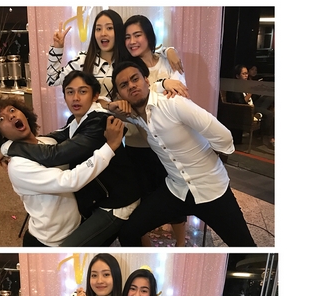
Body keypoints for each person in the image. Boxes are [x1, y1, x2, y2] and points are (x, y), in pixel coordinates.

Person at [111, 61, 256, 247]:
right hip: (176, 190)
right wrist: (113, 107)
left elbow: (224, 137)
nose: (131, 86)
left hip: (212, 189)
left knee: (245, 248)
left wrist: (209, 160)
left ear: (146, 80)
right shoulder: (133, 116)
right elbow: (100, 105)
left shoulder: (174, 103)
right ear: (119, 94)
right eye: (124, 85)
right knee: (128, 232)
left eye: (135, 79)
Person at [0, 71, 141, 246]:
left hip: (117, 202)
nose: (76, 98)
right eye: (70, 92)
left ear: (95, 95)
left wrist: (10, 147)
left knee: (69, 249)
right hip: (98, 196)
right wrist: (5, 146)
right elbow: (56, 136)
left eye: (83, 91)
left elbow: (55, 155)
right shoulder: (76, 120)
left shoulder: (98, 123)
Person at [0, 96, 125, 247]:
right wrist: (110, 147)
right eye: (1, 119)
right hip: (50, 241)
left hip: (74, 226)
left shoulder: (46, 142)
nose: (10, 116)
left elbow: (71, 129)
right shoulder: (18, 166)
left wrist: (104, 104)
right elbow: (70, 181)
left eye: (12, 110)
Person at [121, 14, 189, 247]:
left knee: (177, 196)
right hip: (137, 143)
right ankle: (146, 244)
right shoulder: (127, 68)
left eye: (137, 35)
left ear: (149, 36)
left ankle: (181, 244)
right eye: (127, 37)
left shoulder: (168, 61)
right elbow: (134, 97)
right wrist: (163, 85)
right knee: (141, 200)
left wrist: (170, 51)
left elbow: (180, 94)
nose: (132, 41)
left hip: (168, 144)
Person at [47, 9, 185, 107]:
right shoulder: (84, 60)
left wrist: (168, 51)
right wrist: (58, 48)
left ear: (118, 32)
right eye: (98, 29)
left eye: (109, 28)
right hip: (92, 126)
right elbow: (52, 79)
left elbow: (147, 52)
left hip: (123, 127)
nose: (103, 33)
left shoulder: (127, 61)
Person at [225, 65, 274, 148]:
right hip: (246, 109)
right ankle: (269, 138)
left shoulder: (246, 84)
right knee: (269, 114)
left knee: (269, 98)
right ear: (237, 76)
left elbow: (253, 98)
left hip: (252, 105)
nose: (246, 76)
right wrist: (251, 92)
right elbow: (242, 102)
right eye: (243, 74)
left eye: (247, 73)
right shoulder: (235, 87)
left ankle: (261, 122)